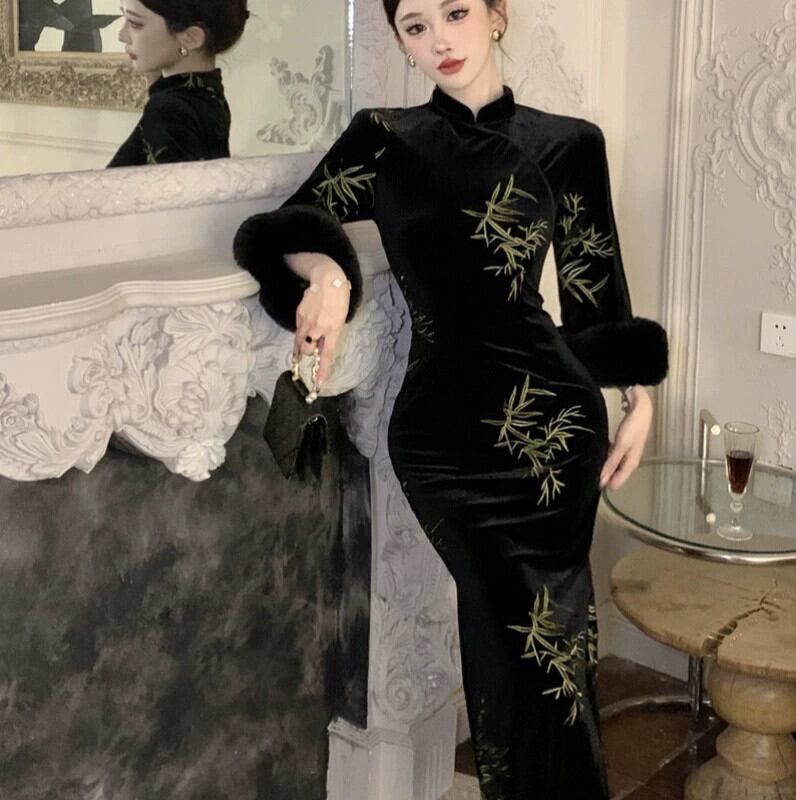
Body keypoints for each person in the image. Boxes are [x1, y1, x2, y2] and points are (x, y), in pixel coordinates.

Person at [233, 0, 668, 796]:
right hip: (443, 439)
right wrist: (329, 274)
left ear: (497, 16)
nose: (439, 39)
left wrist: (639, 397)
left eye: (457, 12)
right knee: (514, 641)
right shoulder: (384, 138)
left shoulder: (568, 144)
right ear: (400, 40)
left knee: (550, 652)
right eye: (416, 25)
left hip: (551, 432)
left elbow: (593, 289)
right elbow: (282, 225)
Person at [108, 0, 248, 167]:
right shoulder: (207, 96)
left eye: (135, 24)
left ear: (191, 38)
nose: (121, 35)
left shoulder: (169, 110)